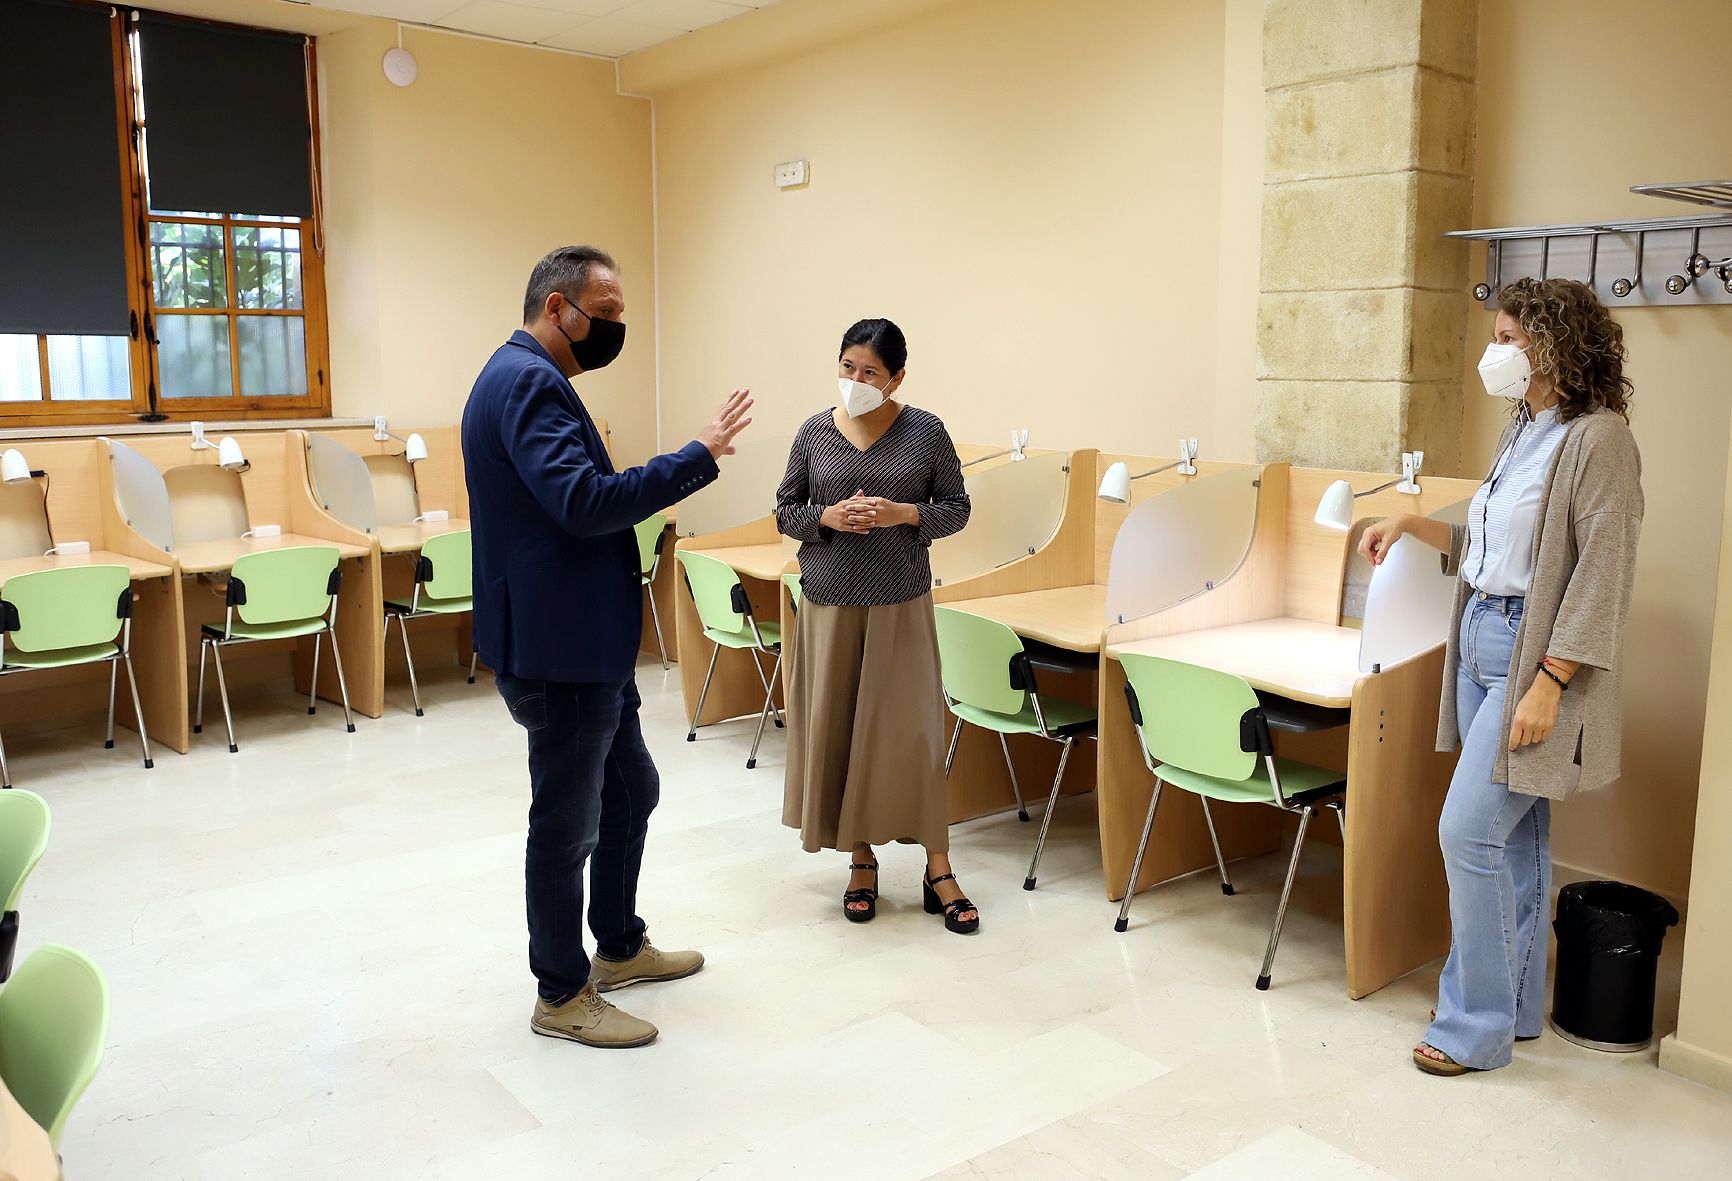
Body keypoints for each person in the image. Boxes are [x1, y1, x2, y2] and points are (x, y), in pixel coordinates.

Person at [462, 245, 753, 1049]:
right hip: (558, 649)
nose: (617, 327)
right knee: (567, 824)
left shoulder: (525, 376)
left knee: (631, 790)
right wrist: (694, 457)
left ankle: (618, 946)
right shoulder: (526, 382)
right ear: (557, 307)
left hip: (584, 642)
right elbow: (584, 503)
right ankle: (561, 993)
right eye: (608, 313)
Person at [1358, 277, 1643, 1076]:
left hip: (1532, 652)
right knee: (1515, 837)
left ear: (1552, 345)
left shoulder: (1600, 439)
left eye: (1508, 338)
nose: (1496, 352)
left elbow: (1601, 573)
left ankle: (1473, 1025)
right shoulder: (1522, 429)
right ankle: (1513, 1004)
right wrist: (1412, 523)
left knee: (1468, 829)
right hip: (1482, 633)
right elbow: (1498, 548)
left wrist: (1550, 681)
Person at [776, 318, 978, 933]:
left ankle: (938, 868)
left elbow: (957, 509)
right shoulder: (814, 432)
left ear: (897, 378)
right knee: (841, 731)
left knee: (914, 735)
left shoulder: (925, 430)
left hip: (901, 599)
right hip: (829, 601)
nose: (856, 380)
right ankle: (860, 861)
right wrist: (828, 517)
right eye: (848, 367)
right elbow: (786, 511)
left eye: (870, 372)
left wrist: (904, 513)